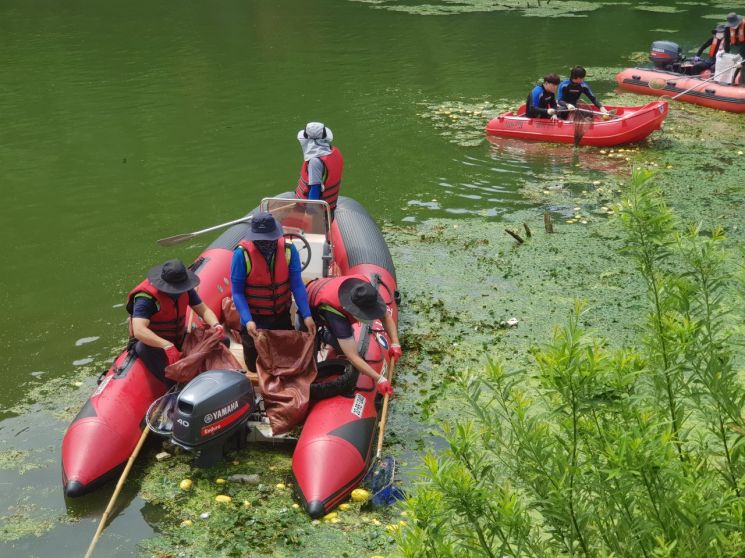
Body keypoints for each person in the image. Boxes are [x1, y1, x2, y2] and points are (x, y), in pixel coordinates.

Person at [230, 211, 315, 373]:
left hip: (280, 316)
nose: (266, 243)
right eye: (261, 240)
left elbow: (297, 285)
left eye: (269, 239)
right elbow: (237, 292)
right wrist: (248, 320)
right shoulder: (241, 255)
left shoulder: (289, 251)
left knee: (286, 362)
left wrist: (307, 315)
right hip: (253, 320)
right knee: (253, 367)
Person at [127, 259, 222, 384]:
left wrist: (216, 324)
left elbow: (203, 310)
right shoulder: (146, 299)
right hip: (153, 344)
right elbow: (139, 330)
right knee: (145, 350)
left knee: (221, 341)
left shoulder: (185, 289)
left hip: (178, 337)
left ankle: (208, 377)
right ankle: (173, 386)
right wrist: (165, 345)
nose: (179, 291)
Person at [306, 274, 401, 396]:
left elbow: (385, 316)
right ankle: (324, 335)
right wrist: (379, 379)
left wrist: (395, 342)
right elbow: (352, 356)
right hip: (309, 302)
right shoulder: (336, 314)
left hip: (330, 288)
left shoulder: (365, 289)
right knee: (310, 351)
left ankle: (328, 336)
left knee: (345, 343)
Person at [295, 122, 344, 215]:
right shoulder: (331, 151)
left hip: (317, 212)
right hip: (329, 207)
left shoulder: (315, 162)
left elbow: (315, 189)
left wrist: (310, 214)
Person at [725, 12, 745, 83]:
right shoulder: (727, 28)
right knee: (734, 65)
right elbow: (727, 41)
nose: (733, 26)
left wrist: (742, 62)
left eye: (735, 24)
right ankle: (732, 82)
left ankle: (743, 85)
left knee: (743, 68)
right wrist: (725, 53)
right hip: (737, 47)